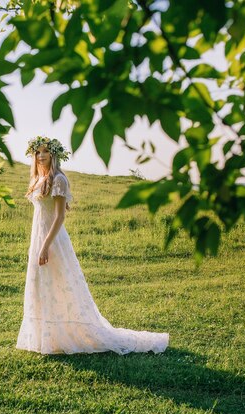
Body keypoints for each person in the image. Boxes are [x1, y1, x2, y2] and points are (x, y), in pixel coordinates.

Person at [16, 135, 169, 355]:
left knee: (58, 282)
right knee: (43, 284)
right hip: (38, 236)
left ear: (53, 154)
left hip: (52, 239)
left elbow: (59, 217)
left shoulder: (58, 179)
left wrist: (45, 246)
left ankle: (67, 334)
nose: (41, 156)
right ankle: (47, 337)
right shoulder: (37, 180)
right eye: (37, 152)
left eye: (45, 152)